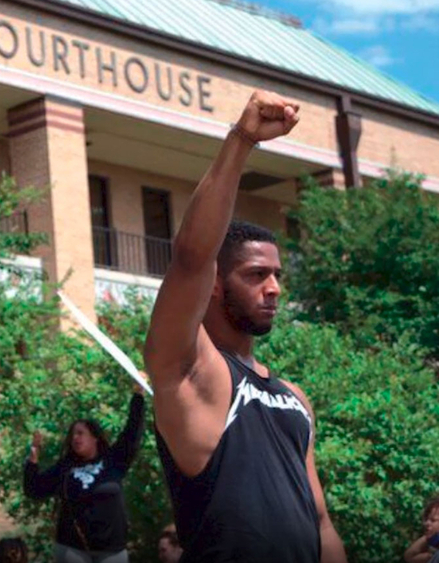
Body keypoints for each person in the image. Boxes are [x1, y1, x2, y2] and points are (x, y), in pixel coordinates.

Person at [143, 90, 346, 563]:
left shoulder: (294, 397)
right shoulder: (192, 372)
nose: (274, 288)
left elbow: (320, 521)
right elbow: (192, 258)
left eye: (277, 275)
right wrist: (242, 141)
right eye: (256, 275)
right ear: (215, 283)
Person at [23, 387, 145, 563]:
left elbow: (132, 432)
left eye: (80, 433)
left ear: (95, 438)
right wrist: (33, 458)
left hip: (112, 550)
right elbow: (33, 490)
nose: (75, 438)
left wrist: (138, 395)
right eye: (73, 434)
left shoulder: (114, 460)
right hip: (73, 549)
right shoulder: (65, 468)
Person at [404, 496, 439, 563]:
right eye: (427, 520)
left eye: (433, 520)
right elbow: (410, 556)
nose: (426, 523)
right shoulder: (433, 555)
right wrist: (430, 536)